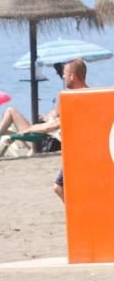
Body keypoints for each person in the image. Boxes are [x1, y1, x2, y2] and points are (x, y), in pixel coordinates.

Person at [50, 59, 90, 202]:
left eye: (65, 74)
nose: (63, 77)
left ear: (73, 76)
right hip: (83, 151)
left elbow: (56, 123)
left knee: (59, 187)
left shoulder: (76, 98)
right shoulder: (91, 94)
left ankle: (77, 216)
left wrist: (30, 128)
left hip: (79, 152)